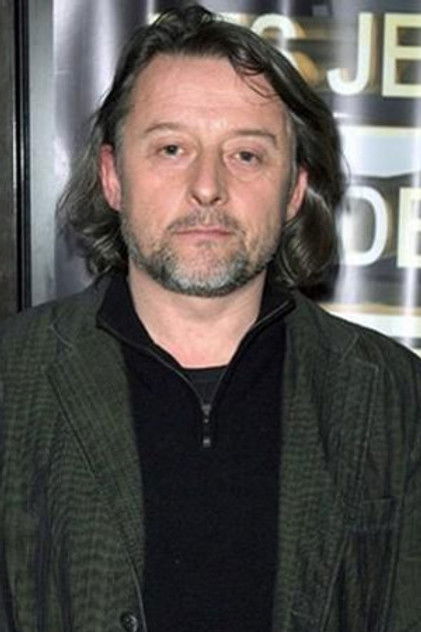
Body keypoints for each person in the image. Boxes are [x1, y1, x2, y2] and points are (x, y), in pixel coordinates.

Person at [1, 5, 420, 632]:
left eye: (246, 155)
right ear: (113, 177)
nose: (207, 187)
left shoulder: (397, 398)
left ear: (294, 190)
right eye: (172, 149)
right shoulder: (11, 381)